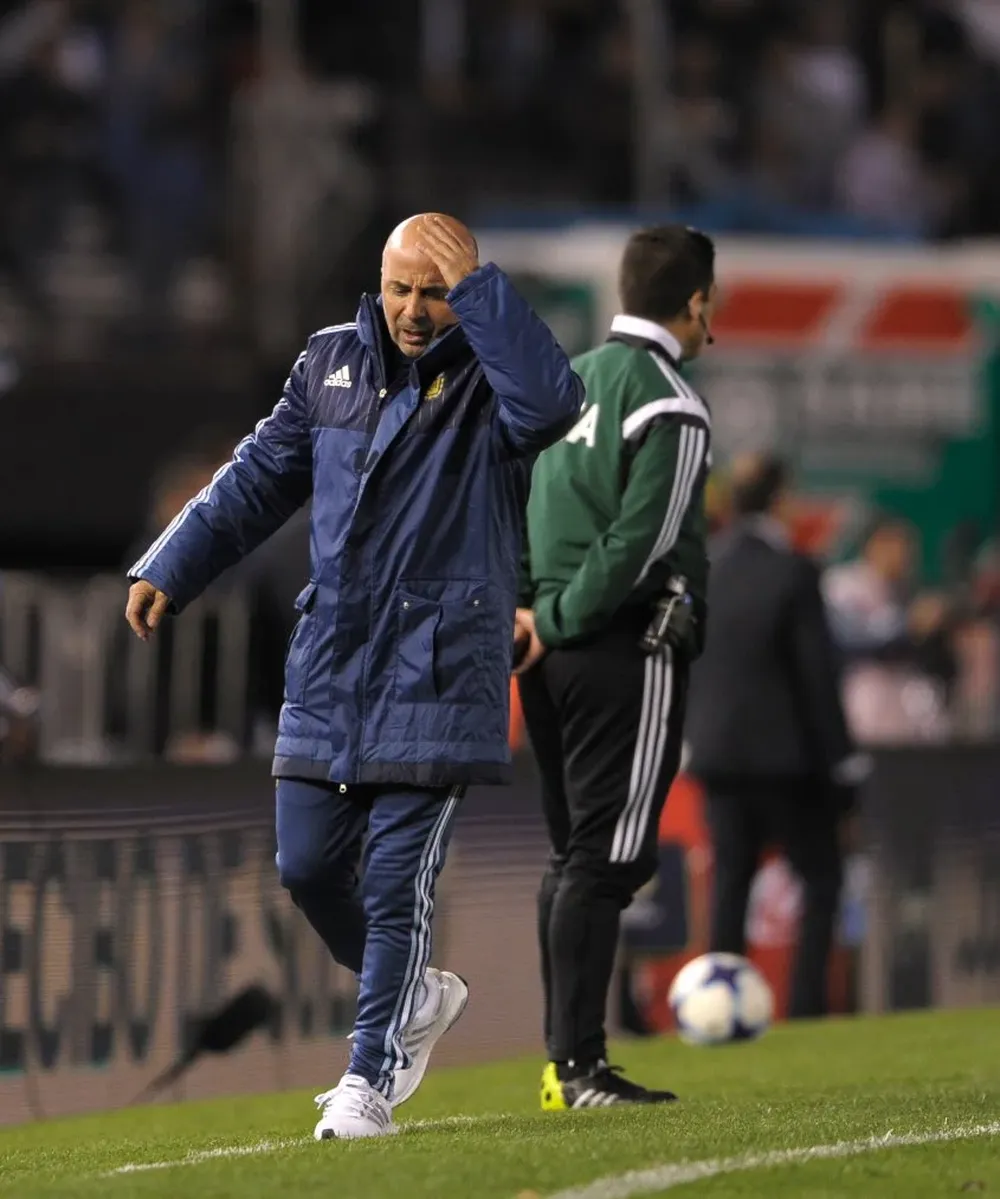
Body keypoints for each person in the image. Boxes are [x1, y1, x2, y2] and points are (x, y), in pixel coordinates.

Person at [125, 213, 582, 1139]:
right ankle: (419, 994)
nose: (413, 309)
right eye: (400, 288)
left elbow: (553, 407)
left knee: (396, 884)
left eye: (435, 292)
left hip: (439, 671)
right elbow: (259, 475)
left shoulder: (493, 376)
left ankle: (367, 1079)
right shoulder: (329, 362)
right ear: (378, 281)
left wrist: (482, 295)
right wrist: (173, 560)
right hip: (333, 662)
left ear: (466, 292)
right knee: (305, 866)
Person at [516, 224, 715, 1109]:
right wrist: (564, 613)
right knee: (605, 860)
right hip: (619, 648)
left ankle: (560, 1066)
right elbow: (642, 542)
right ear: (696, 302)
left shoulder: (567, 382)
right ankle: (580, 1065)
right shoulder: (671, 403)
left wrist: (528, 609)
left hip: (541, 651)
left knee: (573, 856)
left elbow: (519, 501)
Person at [685, 452, 868, 1018]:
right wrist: (843, 764)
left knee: (730, 884)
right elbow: (816, 676)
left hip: (717, 757)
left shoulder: (704, 568)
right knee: (821, 879)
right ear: (781, 499)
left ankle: (718, 1011)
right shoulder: (795, 571)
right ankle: (806, 1011)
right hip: (788, 764)